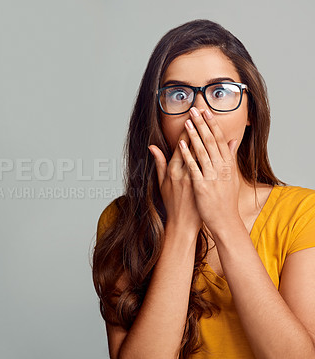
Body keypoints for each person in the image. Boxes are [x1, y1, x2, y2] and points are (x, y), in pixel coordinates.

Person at [91, 19, 315, 359]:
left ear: (250, 110)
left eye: (220, 92)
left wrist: (224, 222)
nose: (199, 113)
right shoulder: (122, 220)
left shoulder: (302, 214)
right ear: (157, 116)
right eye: (179, 94)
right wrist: (182, 227)